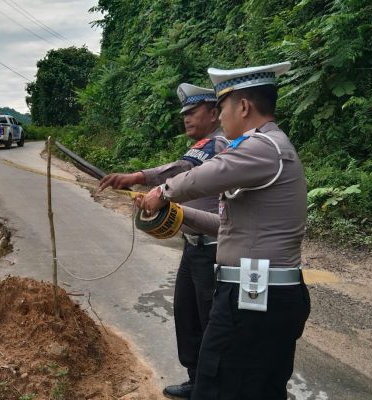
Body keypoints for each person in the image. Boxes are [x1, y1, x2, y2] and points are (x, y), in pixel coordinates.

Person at [137, 62, 310, 399]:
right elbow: (226, 225)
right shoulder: (267, 149)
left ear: (243, 106)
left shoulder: (262, 147)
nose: (219, 116)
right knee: (257, 388)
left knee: (220, 386)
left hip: (254, 295)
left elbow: (205, 175)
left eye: (222, 107)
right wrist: (175, 212)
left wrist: (162, 192)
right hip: (259, 292)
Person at [99, 83, 228, 399]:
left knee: (212, 324)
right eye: (184, 113)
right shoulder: (201, 144)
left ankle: (214, 388)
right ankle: (196, 380)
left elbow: (180, 170)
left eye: (192, 112)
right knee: (187, 316)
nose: (186, 118)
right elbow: (179, 178)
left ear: (214, 113)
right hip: (193, 246)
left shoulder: (216, 144)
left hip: (213, 250)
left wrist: (138, 177)